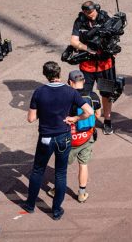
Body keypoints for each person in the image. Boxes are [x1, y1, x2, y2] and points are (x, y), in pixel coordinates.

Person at [23, 61, 93, 220]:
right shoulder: (70, 92)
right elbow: (88, 111)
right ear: (59, 74)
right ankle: (56, 210)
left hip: (46, 137)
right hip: (64, 137)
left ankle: (30, 204)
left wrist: (44, 112)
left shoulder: (39, 92)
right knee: (61, 173)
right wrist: (75, 118)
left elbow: (31, 118)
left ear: (45, 75)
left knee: (37, 170)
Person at [47, 70, 101, 203]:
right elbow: (98, 115)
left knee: (62, 166)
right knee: (83, 164)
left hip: (69, 138)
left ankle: (56, 189)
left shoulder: (64, 97)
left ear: (70, 82)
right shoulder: (93, 96)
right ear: (83, 81)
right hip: (86, 137)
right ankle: (82, 193)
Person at [70, 0, 117, 135]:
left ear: (96, 9)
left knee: (106, 94)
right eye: (87, 12)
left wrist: (111, 47)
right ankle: (88, 123)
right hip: (87, 66)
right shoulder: (79, 21)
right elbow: (73, 41)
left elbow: (114, 36)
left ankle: (107, 120)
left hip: (105, 66)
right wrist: (87, 48)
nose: (90, 15)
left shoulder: (104, 18)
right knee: (84, 95)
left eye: (91, 12)